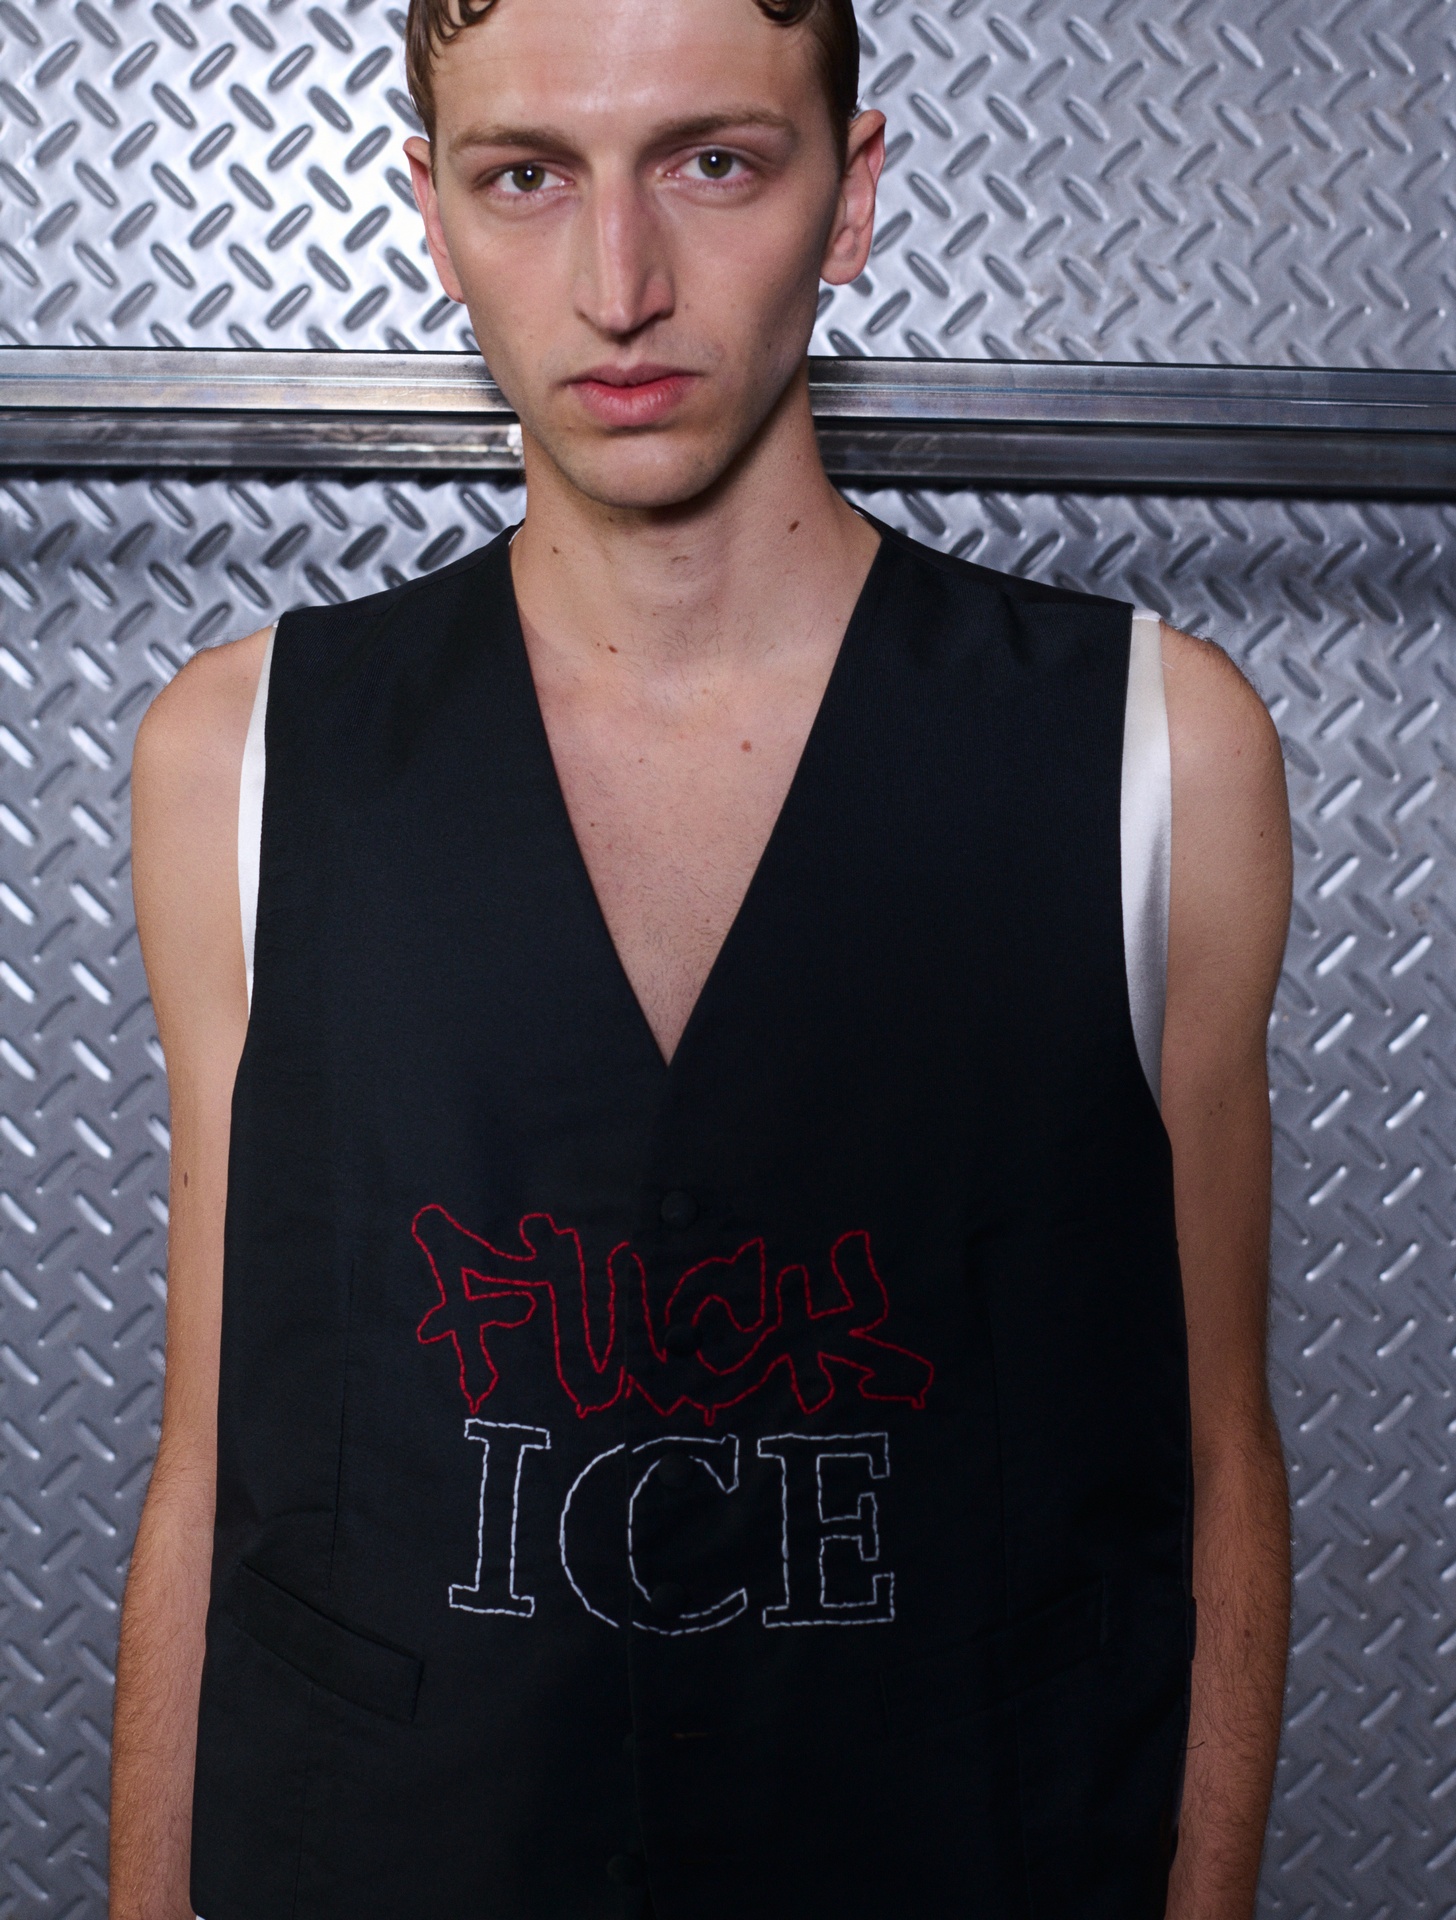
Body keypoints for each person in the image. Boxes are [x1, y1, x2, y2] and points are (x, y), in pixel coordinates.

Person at [110, 0, 1293, 1912]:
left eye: (715, 163)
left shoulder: (1161, 747)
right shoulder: (238, 753)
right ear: (432, 214)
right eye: (526, 177)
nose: (621, 283)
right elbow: (212, 1468)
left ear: (852, 195)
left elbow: (1218, 1457)